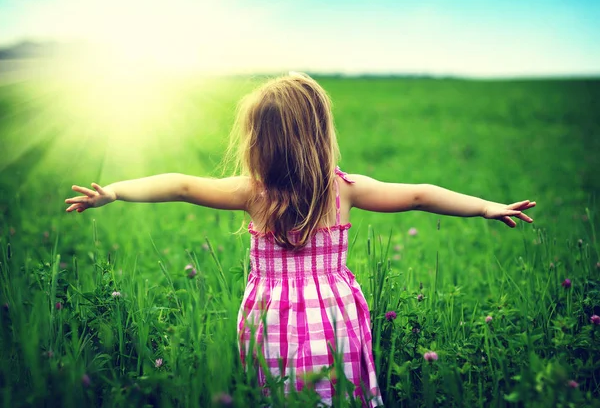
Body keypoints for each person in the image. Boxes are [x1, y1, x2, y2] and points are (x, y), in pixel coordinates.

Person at [65, 72, 535, 407]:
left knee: (277, 393)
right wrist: (484, 206)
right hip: (335, 313)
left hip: (270, 315)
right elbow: (418, 196)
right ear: (319, 134)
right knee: (339, 391)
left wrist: (115, 192)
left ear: (260, 142)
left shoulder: (252, 192)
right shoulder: (345, 189)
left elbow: (181, 185)